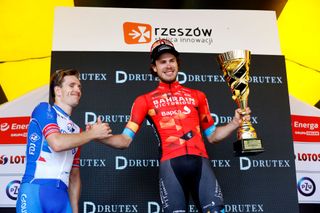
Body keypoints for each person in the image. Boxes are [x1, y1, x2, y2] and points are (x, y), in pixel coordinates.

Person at [100, 39, 251, 213]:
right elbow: (125, 140)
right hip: (170, 167)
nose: (168, 65)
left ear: (177, 64)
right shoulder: (144, 101)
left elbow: (213, 135)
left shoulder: (198, 96)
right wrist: (98, 137)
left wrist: (235, 123)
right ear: (155, 67)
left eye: (171, 60)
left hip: (200, 164)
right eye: (162, 62)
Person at [16, 69, 112, 213]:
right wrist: (92, 133)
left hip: (61, 197)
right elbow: (57, 143)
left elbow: (74, 174)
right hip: (35, 191)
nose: (77, 89)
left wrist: (74, 209)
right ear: (58, 91)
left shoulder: (77, 130)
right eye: (72, 85)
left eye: (79, 87)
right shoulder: (45, 109)